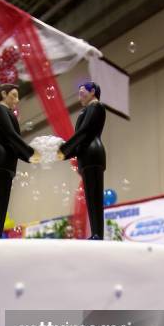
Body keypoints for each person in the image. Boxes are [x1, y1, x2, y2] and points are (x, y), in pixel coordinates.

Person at [0, 84, 40, 238]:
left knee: (3, 201)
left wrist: (30, 158)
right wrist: (30, 152)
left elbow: (15, 143)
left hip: (9, 159)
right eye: (14, 95)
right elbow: (10, 135)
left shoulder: (8, 112)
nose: (17, 100)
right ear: (4, 93)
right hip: (1, 157)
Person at [57, 82, 106, 239]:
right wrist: (66, 153)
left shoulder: (95, 107)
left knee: (95, 197)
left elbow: (85, 132)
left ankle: (98, 233)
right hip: (86, 155)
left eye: (82, 92)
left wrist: (64, 150)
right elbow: (81, 138)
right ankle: (96, 233)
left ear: (93, 92)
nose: (79, 96)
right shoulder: (87, 110)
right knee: (91, 197)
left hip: (92, 154)